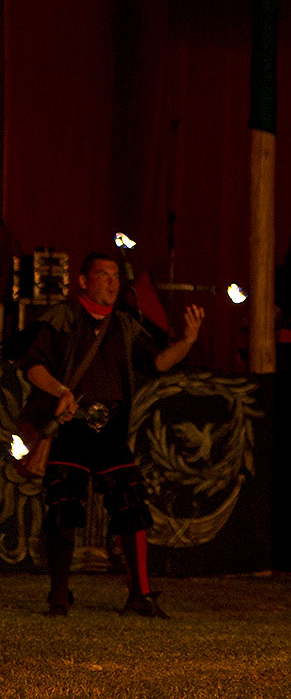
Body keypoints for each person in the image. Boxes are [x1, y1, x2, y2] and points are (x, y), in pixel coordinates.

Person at [21, 253, 205, 617]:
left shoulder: (125, 325)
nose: (111, 282)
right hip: (70, 427)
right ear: (84, 281)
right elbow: (33, 367)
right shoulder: (62, 317)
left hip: (110, 431)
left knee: (131, 508)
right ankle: (59, 596)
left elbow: (155, 364)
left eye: (115, 276)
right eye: (102, 275)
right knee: (63, 509)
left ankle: (140, 594)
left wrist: (186, 341)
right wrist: (61, 391)